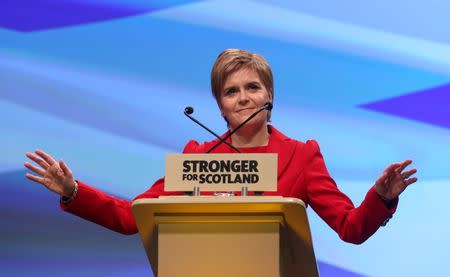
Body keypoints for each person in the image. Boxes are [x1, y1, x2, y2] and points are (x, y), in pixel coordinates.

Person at [24, 49, 417, 244]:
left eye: (252, 87)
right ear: (220, 107)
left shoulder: (302, 156)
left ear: (269, 97)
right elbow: (133, 218)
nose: (243, 98)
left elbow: (350, 228)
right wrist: (74, 193)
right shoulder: (198, 156)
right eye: (231, 91)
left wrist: (380, 197)